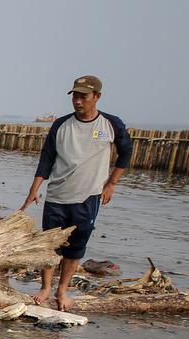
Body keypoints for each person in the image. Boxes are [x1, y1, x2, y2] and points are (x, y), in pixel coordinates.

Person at [19, 75, 131, 311]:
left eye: (84, 96)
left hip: (88, 197)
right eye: (75, 96)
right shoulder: (61, 125)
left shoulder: (111, 124)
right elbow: (46, 159)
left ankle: (62, 291)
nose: (78, 101)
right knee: (50, 245)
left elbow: (126, 154)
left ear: (97, 97)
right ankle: (46, 287)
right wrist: (34, 189)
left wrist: (111, 184)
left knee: (76, 246)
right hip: (57, 196)